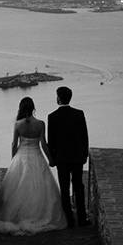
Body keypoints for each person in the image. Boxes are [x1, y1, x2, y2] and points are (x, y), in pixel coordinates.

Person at [0, 97, 67, 234]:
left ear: (21, 108)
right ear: (33, 108)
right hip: (37, 156)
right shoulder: (40, 124)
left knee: (19, 189)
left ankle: (19, 216)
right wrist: (51, 159)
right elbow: (43, 144)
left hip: (22, 157)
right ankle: (38, 215)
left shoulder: (18, 124)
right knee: (39, 189)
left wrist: (14, 160)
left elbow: (14, 144)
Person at [48, 86, 91, 227]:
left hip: (61, 159)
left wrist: (52, 158)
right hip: (77, 157)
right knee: (79, 187)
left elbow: (51, 141)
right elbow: (84, 137)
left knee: (64, 189)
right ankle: (82, 219)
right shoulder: (79, 114)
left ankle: (69, 221)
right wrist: (84, 154)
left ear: (59, 98)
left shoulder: (52, 116)